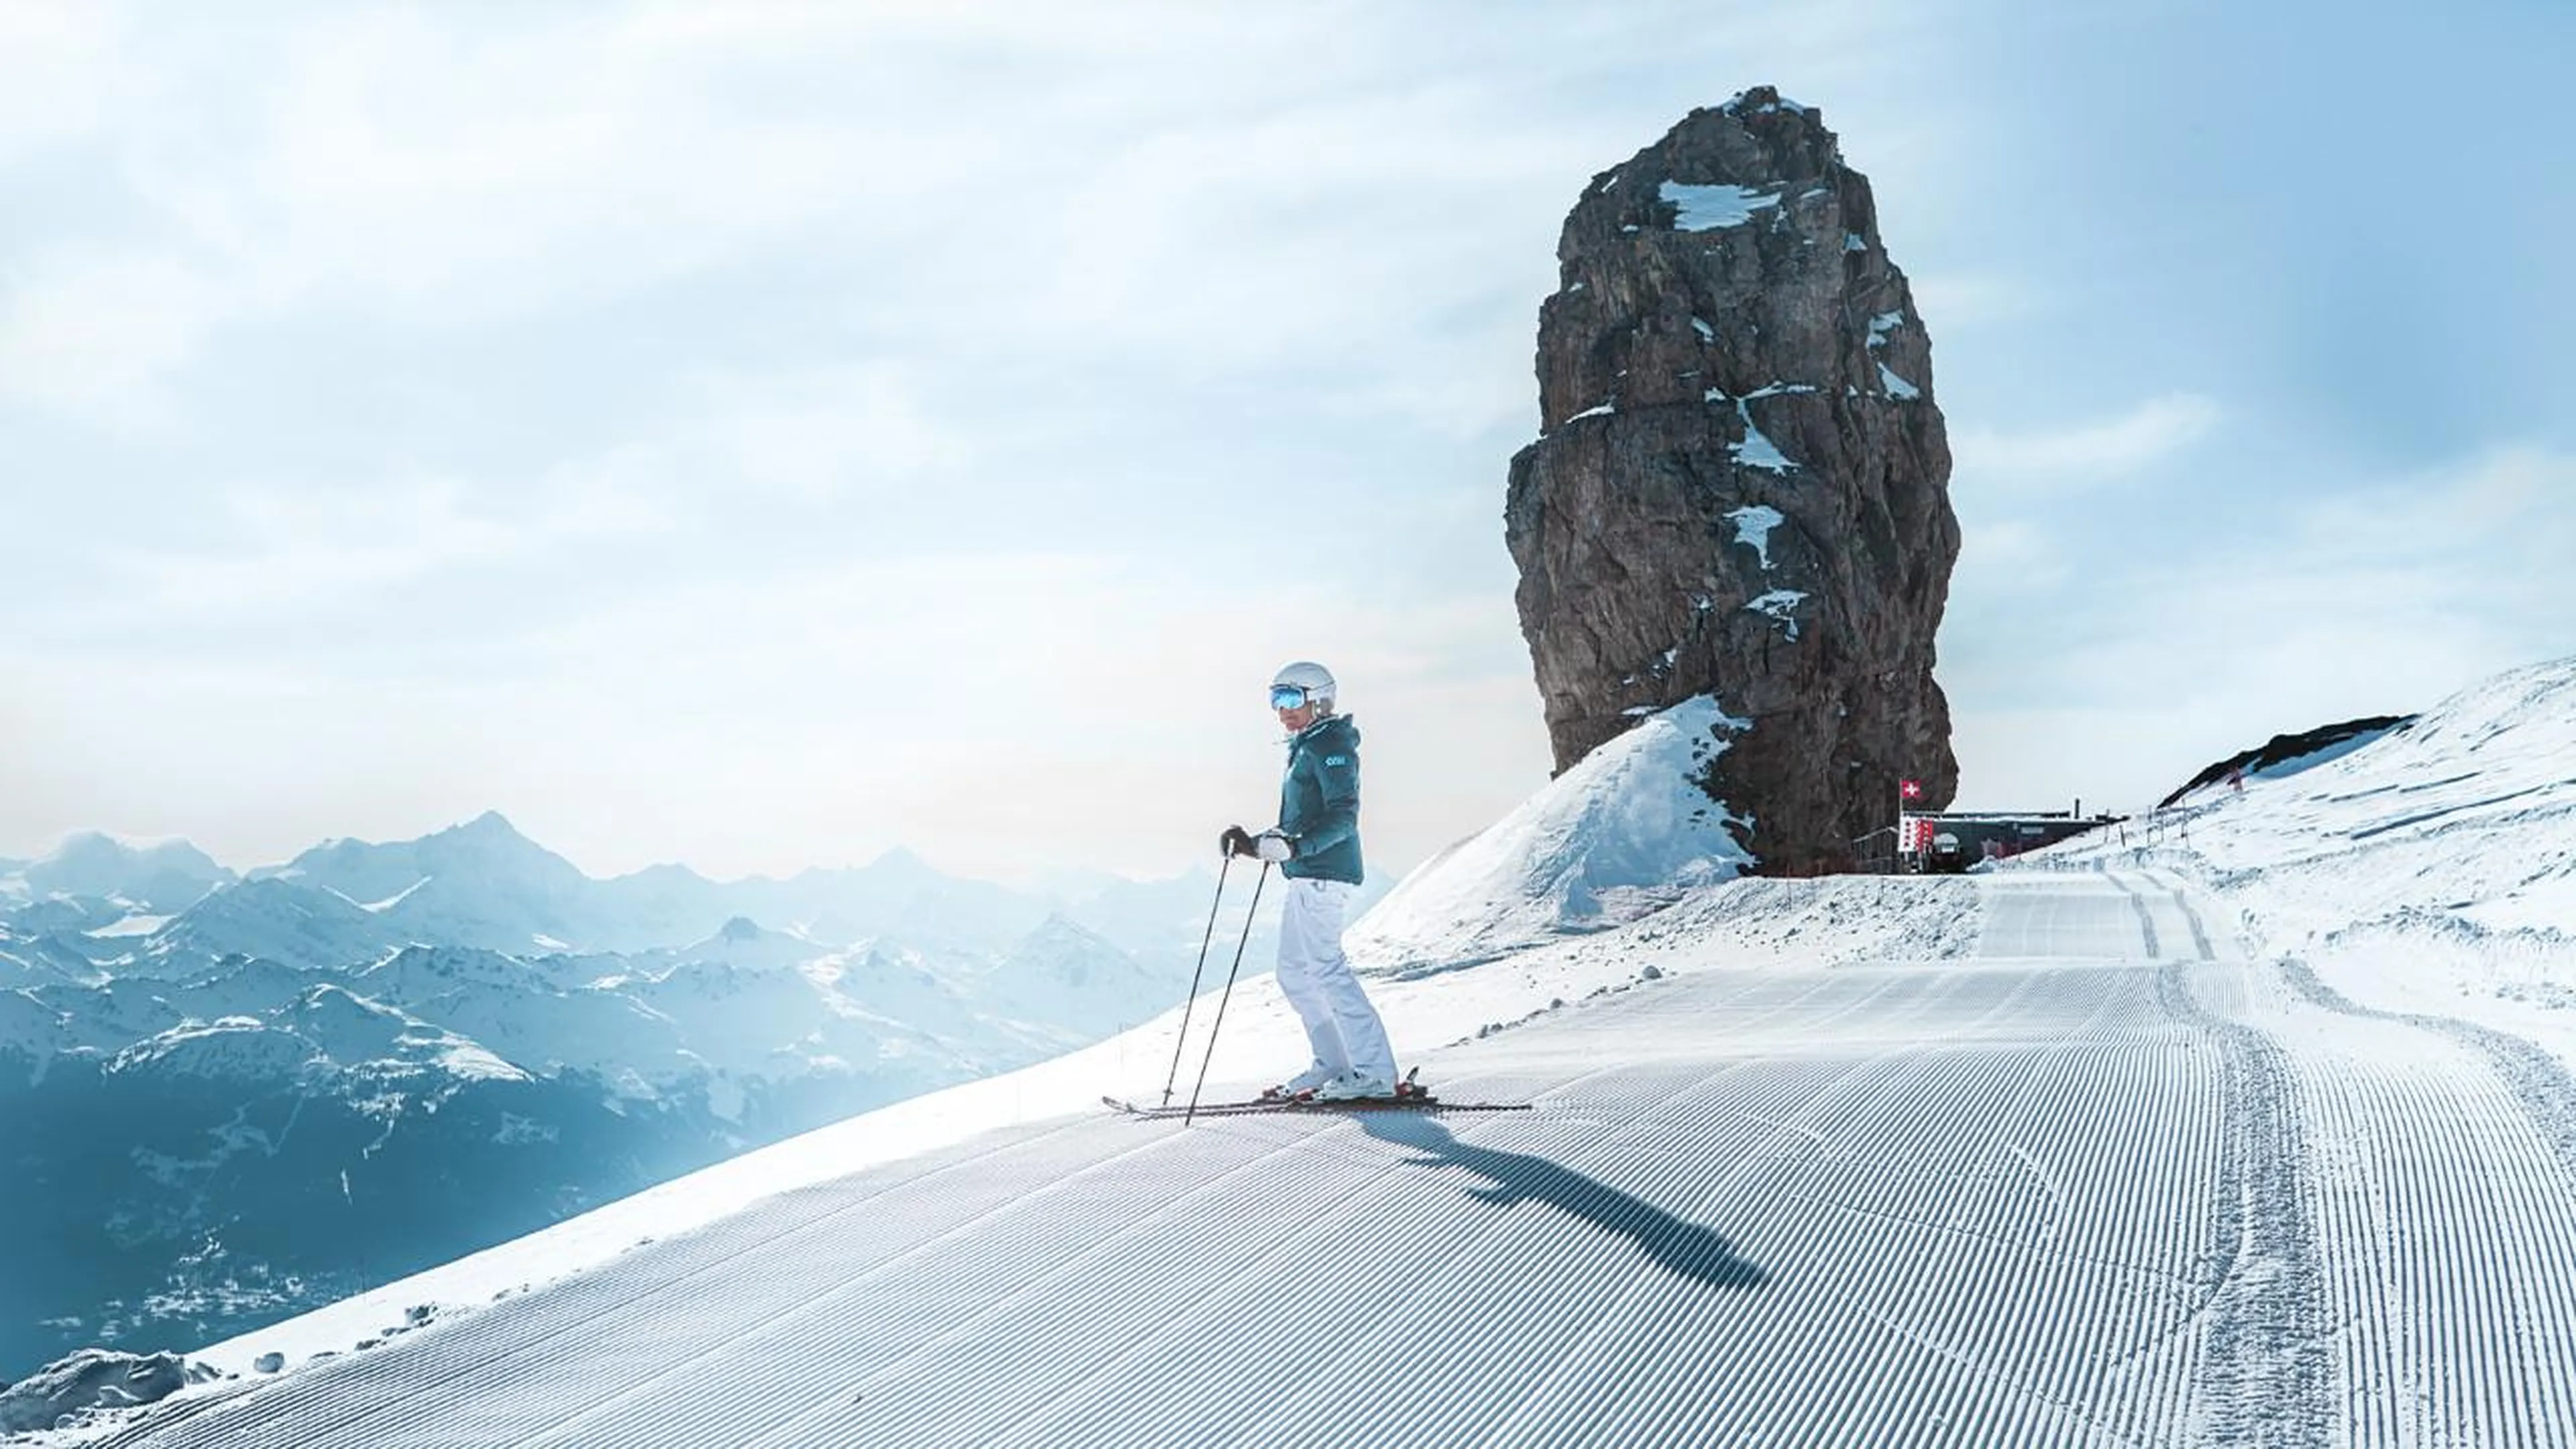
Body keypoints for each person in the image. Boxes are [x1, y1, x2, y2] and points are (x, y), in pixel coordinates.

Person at [1220, 661, 1399, 1101]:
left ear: (1320, 699)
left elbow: (1344, 816)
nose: (1283, 711)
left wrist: (1298, 849)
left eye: (1291, 699)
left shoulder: (1331, 743)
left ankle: (1376, 1072)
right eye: (1275, 700)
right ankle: (1334, 1064)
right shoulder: (1305, 746)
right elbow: (1298, 824)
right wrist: (1251, 845)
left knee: (1326, 970)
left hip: (1324, 874)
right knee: (1294, 974)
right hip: (1305, 875)